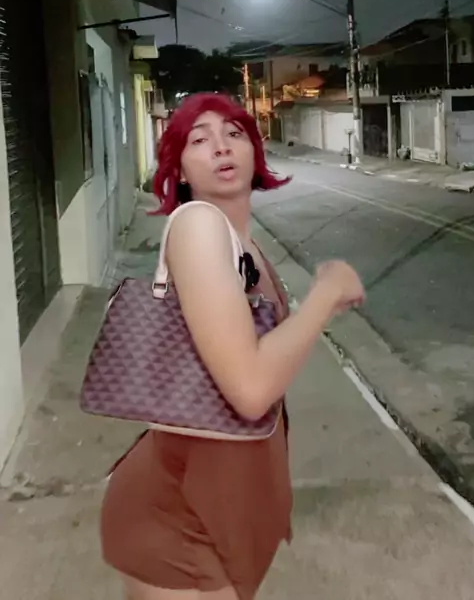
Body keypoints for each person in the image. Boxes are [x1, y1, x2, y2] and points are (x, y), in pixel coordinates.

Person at [100, 92, 365, 600]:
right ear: (179, 170)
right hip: (176, 516)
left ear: (254, 151)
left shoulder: (246, 244)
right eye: (199, 140)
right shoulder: (198, 225)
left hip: (217, 503)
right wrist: (325, 295)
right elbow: (249, 390)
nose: (221, 146)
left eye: (234, 134)